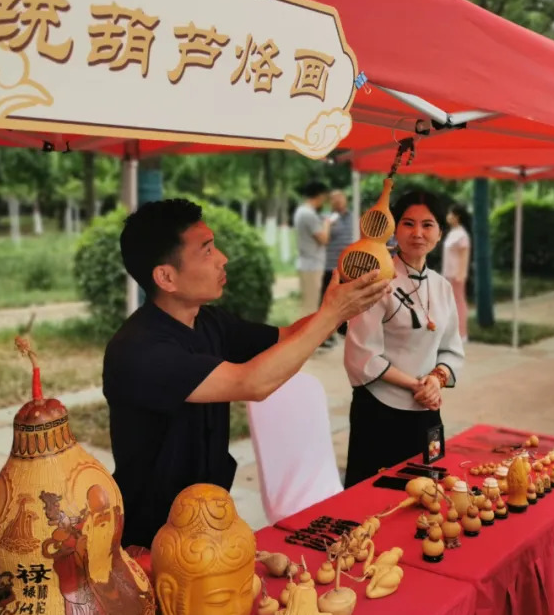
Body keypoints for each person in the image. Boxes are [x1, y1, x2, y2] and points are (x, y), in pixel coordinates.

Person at [103, 199, 389, 549]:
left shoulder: (209, 321)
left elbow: (287, 337)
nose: (222, 258)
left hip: (212, 518)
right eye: (207, 251)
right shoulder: (140, 350)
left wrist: (340, 302)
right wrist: (332, 315)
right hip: (152, 534)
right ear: (165, 276)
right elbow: (251, 382)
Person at [343, 189, 465, 487]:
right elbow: (362, 356)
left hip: (426, 409)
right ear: (394, 229)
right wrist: (417, 385)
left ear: (440, 232)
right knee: (373, 498)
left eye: (428, 224)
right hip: (379, 410)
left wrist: (435, 380)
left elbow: (451, 350)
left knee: (430, 491)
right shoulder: (376, 280)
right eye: (408, 223)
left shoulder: (441, 286)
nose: (418, 233)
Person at [294, 181, 331, 317]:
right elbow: (324, 239)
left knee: (308, 304)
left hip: (307, 263)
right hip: (312, 265)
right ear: (320, 196)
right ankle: (308, 337)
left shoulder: (301, 211)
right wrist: (327, 223)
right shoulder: (309, 214)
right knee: (310, 306)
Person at [321, 189, 354, 340]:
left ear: (345, 200)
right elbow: (323, 239)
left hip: (350, 266)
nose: (338, 201)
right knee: (328, 299)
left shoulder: (354, 217)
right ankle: (325, 332)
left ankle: (343, 328)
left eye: (340, 198)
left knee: (348, 298)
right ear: (330, 202)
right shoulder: (326, 219)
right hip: (330, 266)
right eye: (334, 199)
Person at [442, 204, 471, 342]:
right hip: (448, 273)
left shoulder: (462, 235)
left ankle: (462, 333)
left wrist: (461, 274)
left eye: (450, 214)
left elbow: (464, 256)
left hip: (456, 275)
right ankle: (451, 333)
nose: (448, 216)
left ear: (456, 217)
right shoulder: (452, 233)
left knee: (459, 303)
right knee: (449, 303)